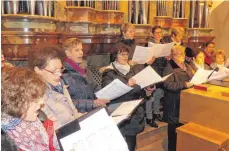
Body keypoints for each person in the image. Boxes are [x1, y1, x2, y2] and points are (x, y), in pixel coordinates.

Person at [102, 45, 149, 151]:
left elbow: (139, 88)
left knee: (132, 142)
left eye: (127, 54)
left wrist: (147, 91)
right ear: (115, 56)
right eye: (122, 54)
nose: (125, 56)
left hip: (135, 111)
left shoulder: (132, 69)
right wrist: (127, 86)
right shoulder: (109, 72)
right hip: (120, 110)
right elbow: (108, 94)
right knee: (120, 144)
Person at [1, 67, 60, 151]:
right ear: (15, 102)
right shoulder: (6, 142)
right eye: (35, 100)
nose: (42, 102)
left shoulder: (38, 120)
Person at [29, 46, 82, 130]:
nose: (60, 74)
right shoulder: (37, 94)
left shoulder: (60, 84)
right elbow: (55, 129)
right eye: (54, 71)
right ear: (38, 70)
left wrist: (84, 118)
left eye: (60, 69)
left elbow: (73, 112)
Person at [61, 38, 110, 113]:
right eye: (77, 50)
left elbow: (95, 87)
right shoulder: (62, 74)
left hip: (93, 111)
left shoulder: (85, 69)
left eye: (81, 49)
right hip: (78, 115)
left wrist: (106, 94)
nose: (81, 53)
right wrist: (92, 103)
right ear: (68, 53)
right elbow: (66, 103)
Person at [163, 45, 194, 151]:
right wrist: (184, 84)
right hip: (174, 103)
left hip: (186, 101)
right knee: (173, 131)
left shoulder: (187, 66)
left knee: (183, 129)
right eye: (180, 54)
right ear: (173, 56)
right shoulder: (169, 67)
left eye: (184, 53)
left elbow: (193, 77)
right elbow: (168, 85)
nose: (183, 56)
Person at [146, 25, 168, 128]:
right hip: (151, 72)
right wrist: (153, 57)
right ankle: (149, 117)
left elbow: (164, 61)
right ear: (152, 34)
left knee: (158, 95)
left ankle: (156, 113)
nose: (159, 34)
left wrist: (167, 57)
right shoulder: (150, 45)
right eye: (157, 32)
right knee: (150, 96)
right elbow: (146, 62)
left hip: (161, 72)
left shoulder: (163, 44)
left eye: (161, 32)